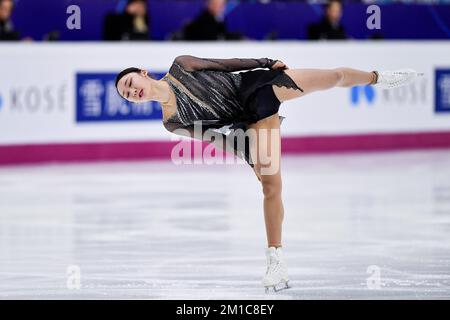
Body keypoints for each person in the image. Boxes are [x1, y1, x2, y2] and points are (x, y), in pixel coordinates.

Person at [115, 55, 421, 292]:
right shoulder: (171, 122)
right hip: (246, 122)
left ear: (141, 73)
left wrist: (264, 62)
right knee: (271, 185)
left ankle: (378, 78)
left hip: (253, 86)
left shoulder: (181, 66)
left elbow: (225, 65)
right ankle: (277, 259)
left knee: (334, 76)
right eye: (127, 95)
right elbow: (215, 138)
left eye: (129, 83)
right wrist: (251, 159)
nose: (132, 92)